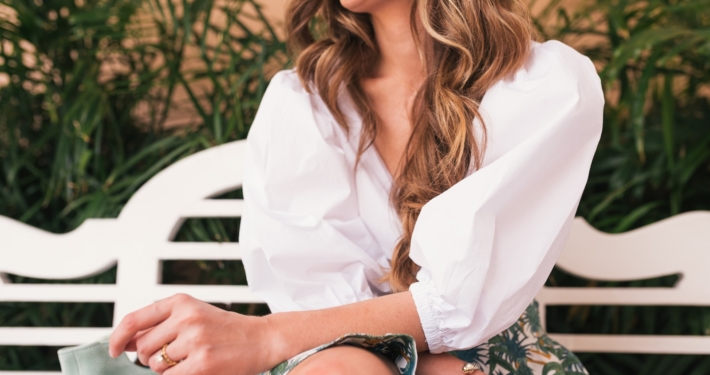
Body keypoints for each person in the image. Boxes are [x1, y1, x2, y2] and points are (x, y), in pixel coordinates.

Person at [107, 0, 604, 372]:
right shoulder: (307, 104)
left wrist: (261, 338)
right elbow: (318, 309)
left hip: (500, 355)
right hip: (338, 355)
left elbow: (462, 304)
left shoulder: (543, 85)